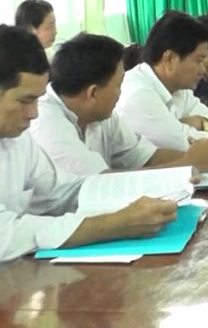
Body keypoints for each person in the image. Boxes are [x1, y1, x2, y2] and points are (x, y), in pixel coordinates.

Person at [0, 25, 176, 262]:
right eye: (25, 101)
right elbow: (6, 234)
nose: (33, 113)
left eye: (37, 100)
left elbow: (60, 192)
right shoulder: (43, 126)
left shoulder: (17, 139)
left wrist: (153, 189)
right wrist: (113, 225)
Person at [31, 33, 208, 176]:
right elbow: (101, 185)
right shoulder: (47, 123)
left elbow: (147, 157)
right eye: (119, 84)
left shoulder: (102, 116)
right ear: (93, 93)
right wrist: (188, 164)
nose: (121, 92)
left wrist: (194, 158)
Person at [115, 12, 208, 151]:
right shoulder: (139, 95)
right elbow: (184, 146)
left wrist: (201, 122)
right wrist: (196, 129)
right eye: (198, 61)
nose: (203, 70)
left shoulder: (179, 89)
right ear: (169, 59)